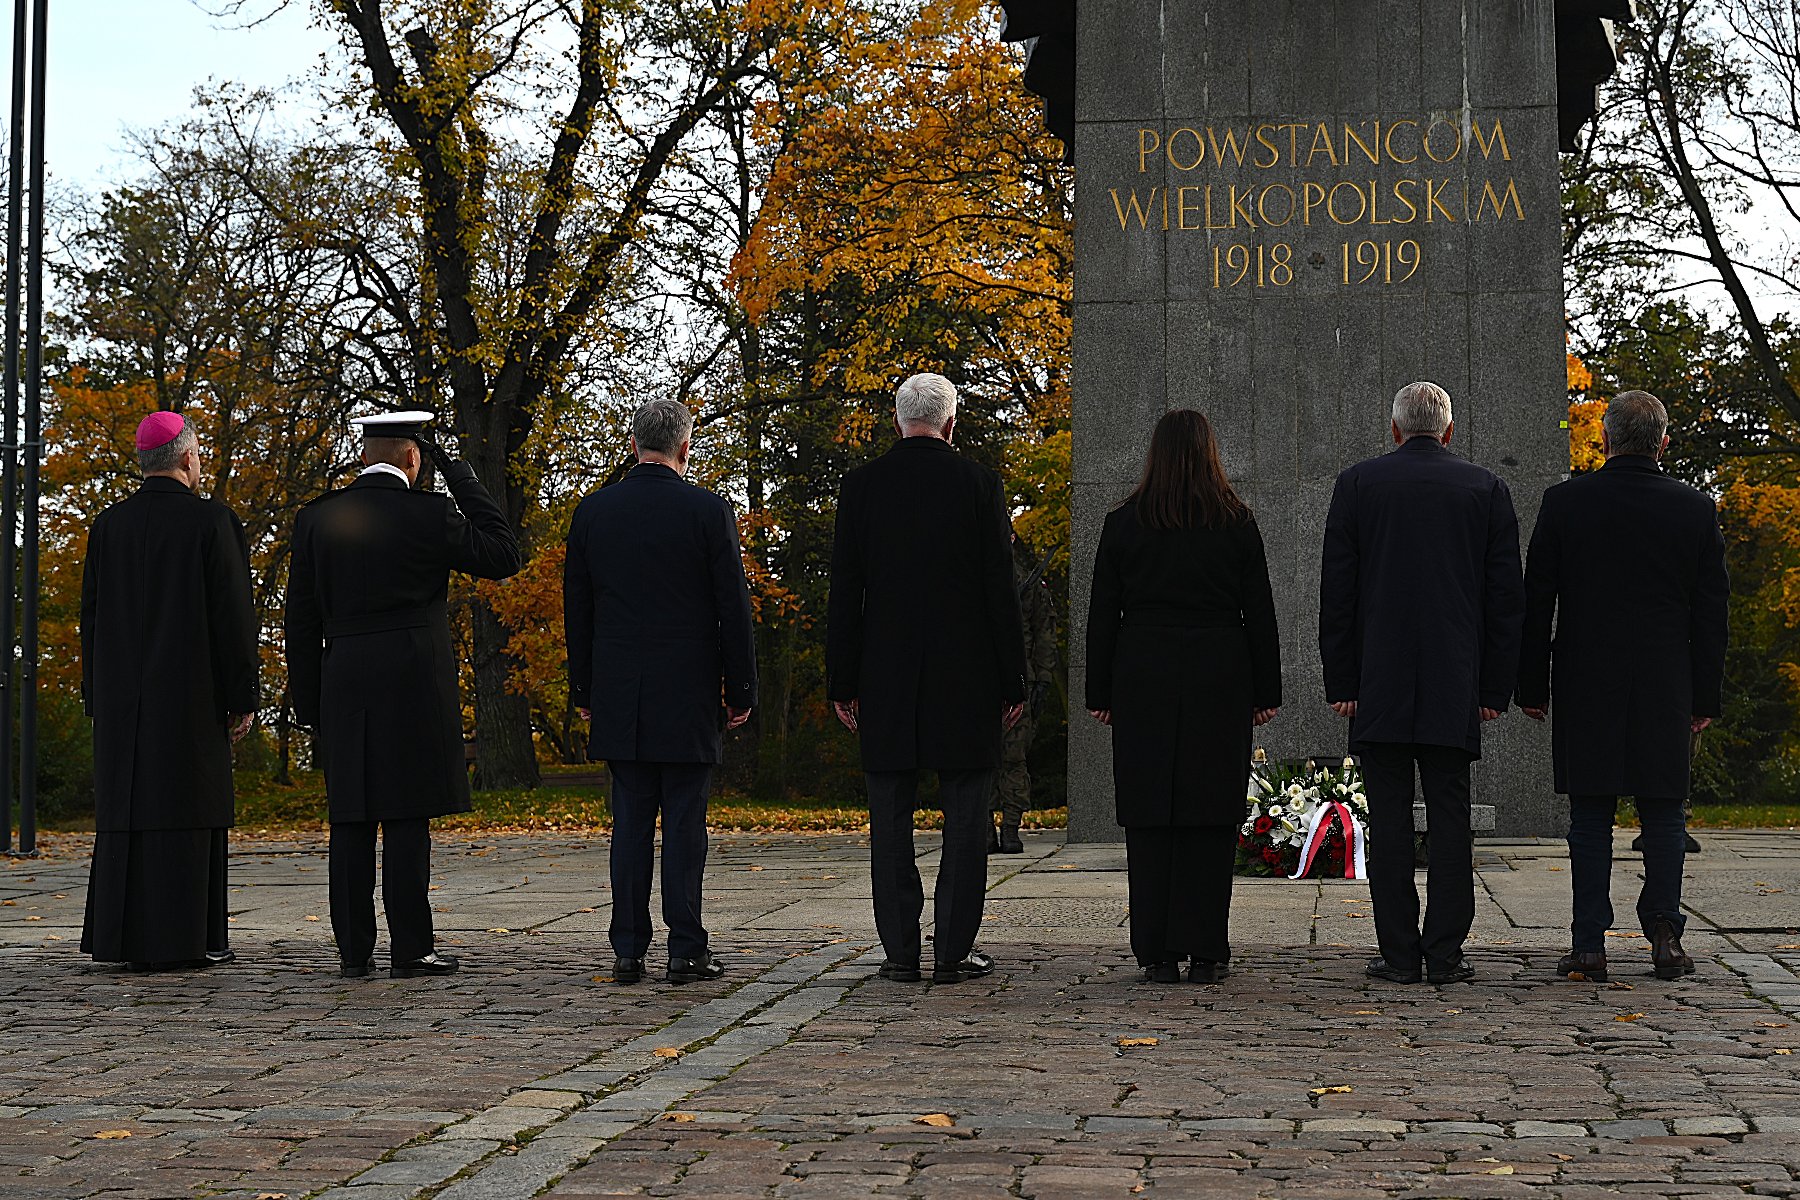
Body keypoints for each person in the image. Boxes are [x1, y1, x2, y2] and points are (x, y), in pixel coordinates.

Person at [284, 410, 520, 979]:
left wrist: (310, 704)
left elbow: (300, 618)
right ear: (414, 458)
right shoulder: (430, 513)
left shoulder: (317, 518)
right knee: (408, 816)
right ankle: (412, 948)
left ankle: (353, 950)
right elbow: (504, 553)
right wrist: (460, 472)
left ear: (366, 454)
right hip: (414, 679)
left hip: (344, 678)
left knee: (351, 818)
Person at [1516, 390, 1729, 983]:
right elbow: (1712, 612)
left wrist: (1530, 684)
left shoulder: (1565, 504)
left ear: (1604, 440)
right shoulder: (1695, 509)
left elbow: (1538, 603)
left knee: (1590, 812)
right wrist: (1704, 697)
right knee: (1664, 811)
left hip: (1587, 676)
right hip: (1667, 679)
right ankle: (1664, 933)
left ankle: (1589, 943)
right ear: (1663, 444)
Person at [1319, 381, 1525, 986]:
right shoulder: (1485, 489)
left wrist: (1342, 679)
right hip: (1452, 680)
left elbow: (1340, 594)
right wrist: (1493, 689)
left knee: (1388, 824)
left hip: (1378, 679)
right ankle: (1445, 952)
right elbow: (1504, 598)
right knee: (1451, 820)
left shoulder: (1358, 486)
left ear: (1395, 430)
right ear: (1449, 431)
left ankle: (1400, 953)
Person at [827, 372, 1026, 985]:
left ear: (897, 420)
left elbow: (845, 593)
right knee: (966, 819)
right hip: (965, 677)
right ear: (950, 422)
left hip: (885, 675)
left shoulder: (862, 487)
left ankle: (900, 952)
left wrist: (842, 680)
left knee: (889, 819)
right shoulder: (978, 484)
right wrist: (1013, 679)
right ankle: (954, 950)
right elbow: (1000, 589)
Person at [563, 399, 757, 986]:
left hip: (621, 690)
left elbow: (580, 610)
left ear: (632, 445)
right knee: (684, 825)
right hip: (690, 691)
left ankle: (627, 947)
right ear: (685, 448)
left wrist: (585, 687)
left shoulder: (594, 513)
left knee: (629, 823)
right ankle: (686, 946)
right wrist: (740, 686)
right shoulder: (707, 511)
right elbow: (733, 609)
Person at [1086, 410, 1280, 984]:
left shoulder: (1124, 523)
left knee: (1150, 815)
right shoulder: (1237, 522)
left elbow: (1102, 615)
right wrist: (1266, 690)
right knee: (1211, 813)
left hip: (1143, 672)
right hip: (1219, 673)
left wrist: (1100, 690)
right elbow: (1260, 613)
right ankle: (1206, 946)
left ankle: (1155, 948)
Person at [80, 412, 258, 970]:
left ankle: (119, 938)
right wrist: (243, 697)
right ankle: (194, 938)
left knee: (128, 811)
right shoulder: (212, 522)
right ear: (186, 458)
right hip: (189, 697)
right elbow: (233, 618)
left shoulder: (109, 526)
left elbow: (91, 619)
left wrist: (96, 696)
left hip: (121, 704)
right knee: (188, 809)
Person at [990, 532, 1058, 854]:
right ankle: (986, 827)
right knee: (981, 759)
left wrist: (1043, 680)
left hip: (1021, 681)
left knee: (1013, 758)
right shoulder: (977, 573)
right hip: (980, 680)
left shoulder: (1028, 583)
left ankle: (1010, 828)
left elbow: (1044, 632)